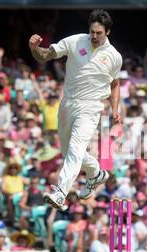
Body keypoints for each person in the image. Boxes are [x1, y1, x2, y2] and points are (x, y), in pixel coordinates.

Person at [29, 9, 122, 210]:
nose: (94, 36)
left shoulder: (114, 56)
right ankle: (96, 174)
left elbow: (115, 84)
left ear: (108, 32)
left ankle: (60, 192)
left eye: (99, 32)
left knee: (76, 148)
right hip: (68, 103)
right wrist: (34, 48)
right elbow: (45, 56)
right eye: (92, 32)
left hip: (91, 107)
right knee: (69, 152)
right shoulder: (75, 41)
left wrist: (115, 109)